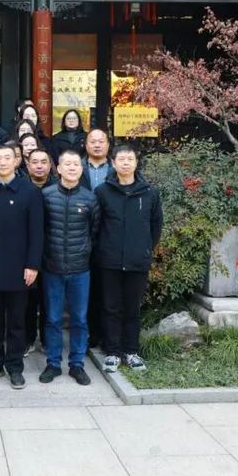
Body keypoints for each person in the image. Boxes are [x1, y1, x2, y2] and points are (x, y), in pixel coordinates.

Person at [0, 144, 43, 389]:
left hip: (19, 267)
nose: (3, 162)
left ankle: (14, 366)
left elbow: (37, 232)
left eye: (7, 158)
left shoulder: (30, 192)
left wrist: (32, 265)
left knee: (17, 321)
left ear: (16, 161)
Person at [95, 144, 163, 373]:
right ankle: (113, 352)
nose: (125, 163)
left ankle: (132, 351)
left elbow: (156, 226)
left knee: (132, 308)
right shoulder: (103, 192)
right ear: (113, 163)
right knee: (111, 307)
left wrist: (145, 248)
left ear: (136, 163)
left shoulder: (150, 193)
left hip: (137, 261)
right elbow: (96, 225)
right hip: (110, 260)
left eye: (130, 159)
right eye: (121, 159)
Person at [40, 150, 100, 385]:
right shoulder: (46, 195)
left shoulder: (89, 198)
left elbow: (94, 231)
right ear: (59, 168)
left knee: (79, 319)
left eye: (76, 164)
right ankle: (53, 364)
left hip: (80, 269)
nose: (72, 167)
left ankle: (77, 364)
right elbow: (41, 230)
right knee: (53, 318)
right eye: (68, 164)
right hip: (52, 267)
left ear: (81, 169)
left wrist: (84, 252)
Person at [81, 128, 112, 348]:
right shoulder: (77, 167)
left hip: (109, 233)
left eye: (101, 141)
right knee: (88, 289)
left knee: (106, 288)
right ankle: (91, 334)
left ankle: (106, 334)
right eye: (93, 141)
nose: (97, 145)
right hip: (82, 233)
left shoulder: (116, 169)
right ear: (86, 145)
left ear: (108, 145)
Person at [23, 147, 55, 354]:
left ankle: (46, 340)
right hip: (26, 253)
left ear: (50, 165)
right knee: (27, 301)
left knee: (48, 301)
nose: (39, 166)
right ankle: (27, 340)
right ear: (27, 165)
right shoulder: (22, 188)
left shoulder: (58, 188)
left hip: (52, 253)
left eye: (44, 162)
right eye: (35, 162)